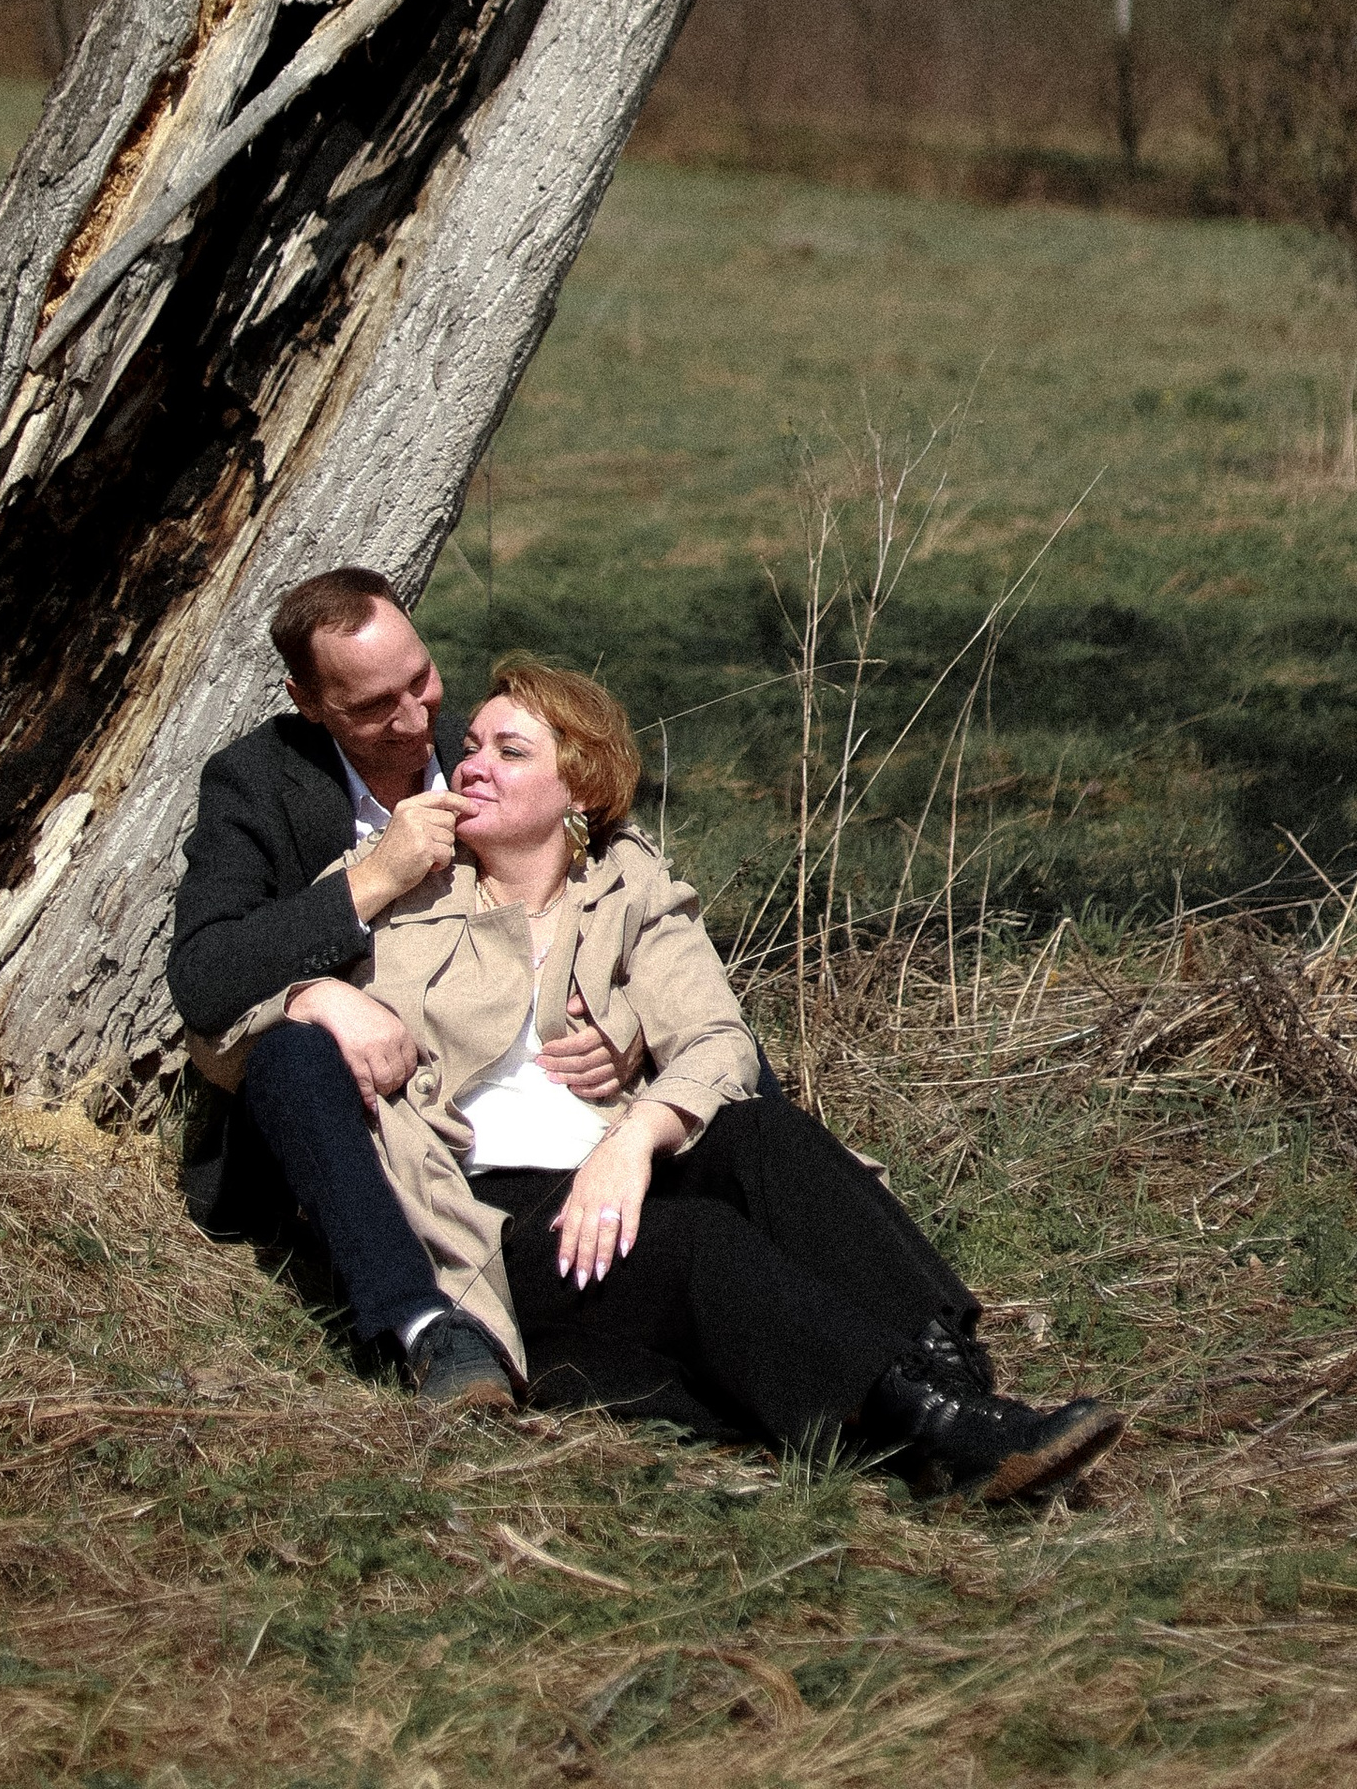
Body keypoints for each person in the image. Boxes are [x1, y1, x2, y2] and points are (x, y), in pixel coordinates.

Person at [360, 657, 1126, 1502]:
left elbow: (719, 1041)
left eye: (509, 751)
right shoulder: (403, 885)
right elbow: (253, 1001)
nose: (469, 766)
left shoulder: (628, 885)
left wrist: (638, 1136)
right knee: (697, 1240)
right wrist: (320, 992)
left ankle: (957, 1386)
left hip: (615, 1172)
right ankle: (940, 1437)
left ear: (580, 790)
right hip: (496, 1218)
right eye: (470, 746)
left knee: (763, 1132)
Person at [166, 569, 638, 1408]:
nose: (416, 720)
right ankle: (425, 1327)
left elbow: (627, 885)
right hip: (355, 1111)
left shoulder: (484, 748)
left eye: (421, 679)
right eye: (374, 706)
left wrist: (629, 1025)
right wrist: (359, 902)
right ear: (309, 703)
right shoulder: (255, 781)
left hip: (505, 1093)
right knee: (291, 1056)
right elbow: (204, 976)